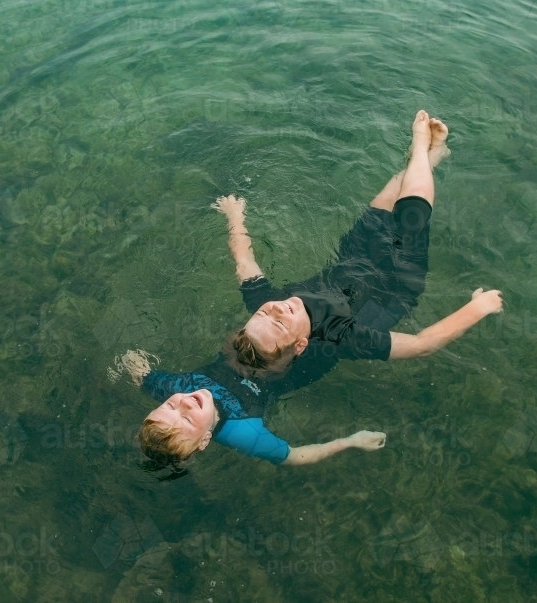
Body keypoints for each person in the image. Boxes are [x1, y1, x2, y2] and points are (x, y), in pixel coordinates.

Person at [120, 111, 504, 468]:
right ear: (204, 441)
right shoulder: (247, 429)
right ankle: (421, 150)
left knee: (378, 213)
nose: (183, 402)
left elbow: (245, 265)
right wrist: (478, 307)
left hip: (341, 273)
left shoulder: (182, 382)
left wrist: (235, 217)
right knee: (410, 218)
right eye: (188, 417)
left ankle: (430, 160)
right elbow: (294, 457)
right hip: (390, 291)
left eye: (171, 405)